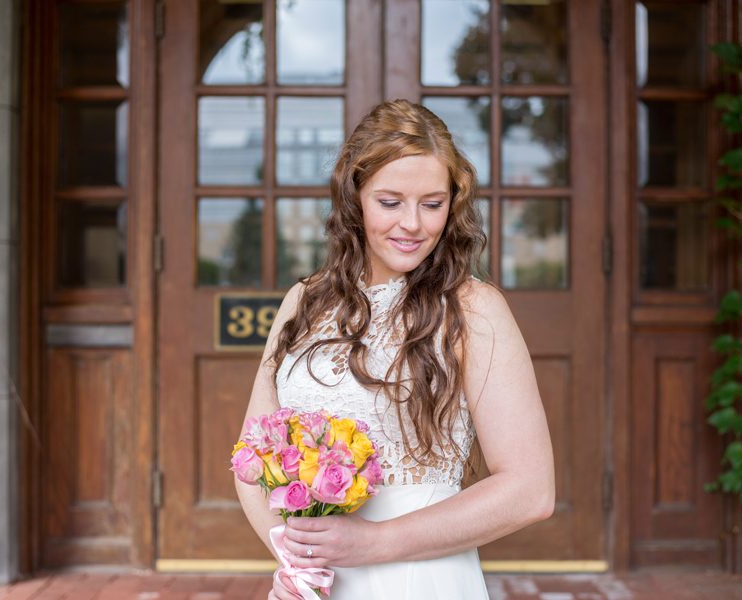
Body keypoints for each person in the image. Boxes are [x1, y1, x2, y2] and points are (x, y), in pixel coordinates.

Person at [236, 99, 555, 600]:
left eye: (432, 204)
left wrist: (376, 542)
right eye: (390, 202)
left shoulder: (473, 309)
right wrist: (296, 559)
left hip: (420, 578)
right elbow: (251, 455)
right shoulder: (303, 299)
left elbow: (530, 490)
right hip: (317, 584)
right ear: (354, 197)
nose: (413, 224)